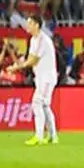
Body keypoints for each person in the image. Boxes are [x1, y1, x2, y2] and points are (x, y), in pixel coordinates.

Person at [17, 10, 59, 146]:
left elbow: (33, 61)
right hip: (40, 77)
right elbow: (29, 57)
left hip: (46, 77)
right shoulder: (34, 39)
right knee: (45, 105)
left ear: (37, 25)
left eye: (29, 23)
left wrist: (17, 67)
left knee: (37, 102)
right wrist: (19, 62)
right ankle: (53, 136)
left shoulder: (42, 39)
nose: (27, 26)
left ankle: (39, 136)